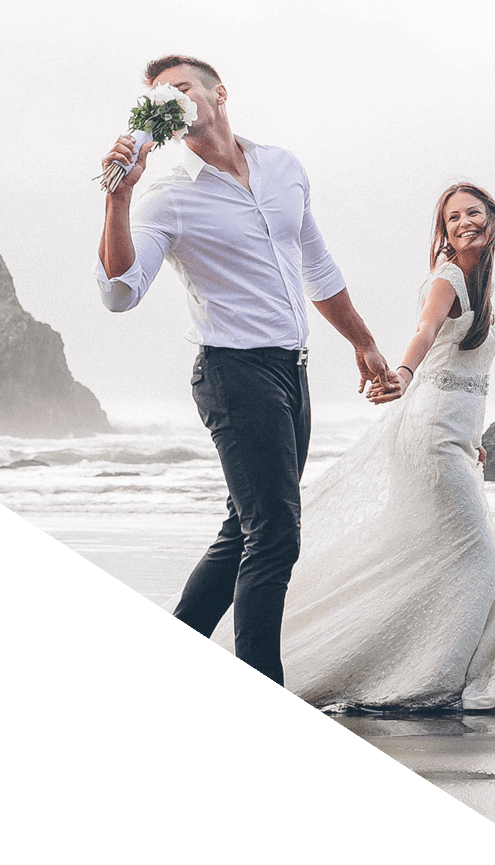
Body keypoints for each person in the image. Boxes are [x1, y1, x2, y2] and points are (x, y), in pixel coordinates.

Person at [94, 55, 399, 686]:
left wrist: (363, 344)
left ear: (218, 93)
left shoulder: (283, 167)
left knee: (247, 527)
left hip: (293, 370)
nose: (171, 100)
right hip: (234, 373)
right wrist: (118, 201)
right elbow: (119, 292)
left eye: (181, 88)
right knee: (276, 535)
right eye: (159, 96)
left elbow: (317, 264)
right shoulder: (169, 197)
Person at [212, 182, 495, 712]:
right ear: (443, 229)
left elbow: (468, 373)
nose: (464, 222)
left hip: (456, 440)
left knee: (436, 557)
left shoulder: (481, 285)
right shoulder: (448, 279)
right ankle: (447, 680)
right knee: (479, 556)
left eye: (473, 212)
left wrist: (476, 439)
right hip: (430, 439)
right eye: (453, 216)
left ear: (493, 219)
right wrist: (403, 374)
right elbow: (424, 331)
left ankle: (448, 675)